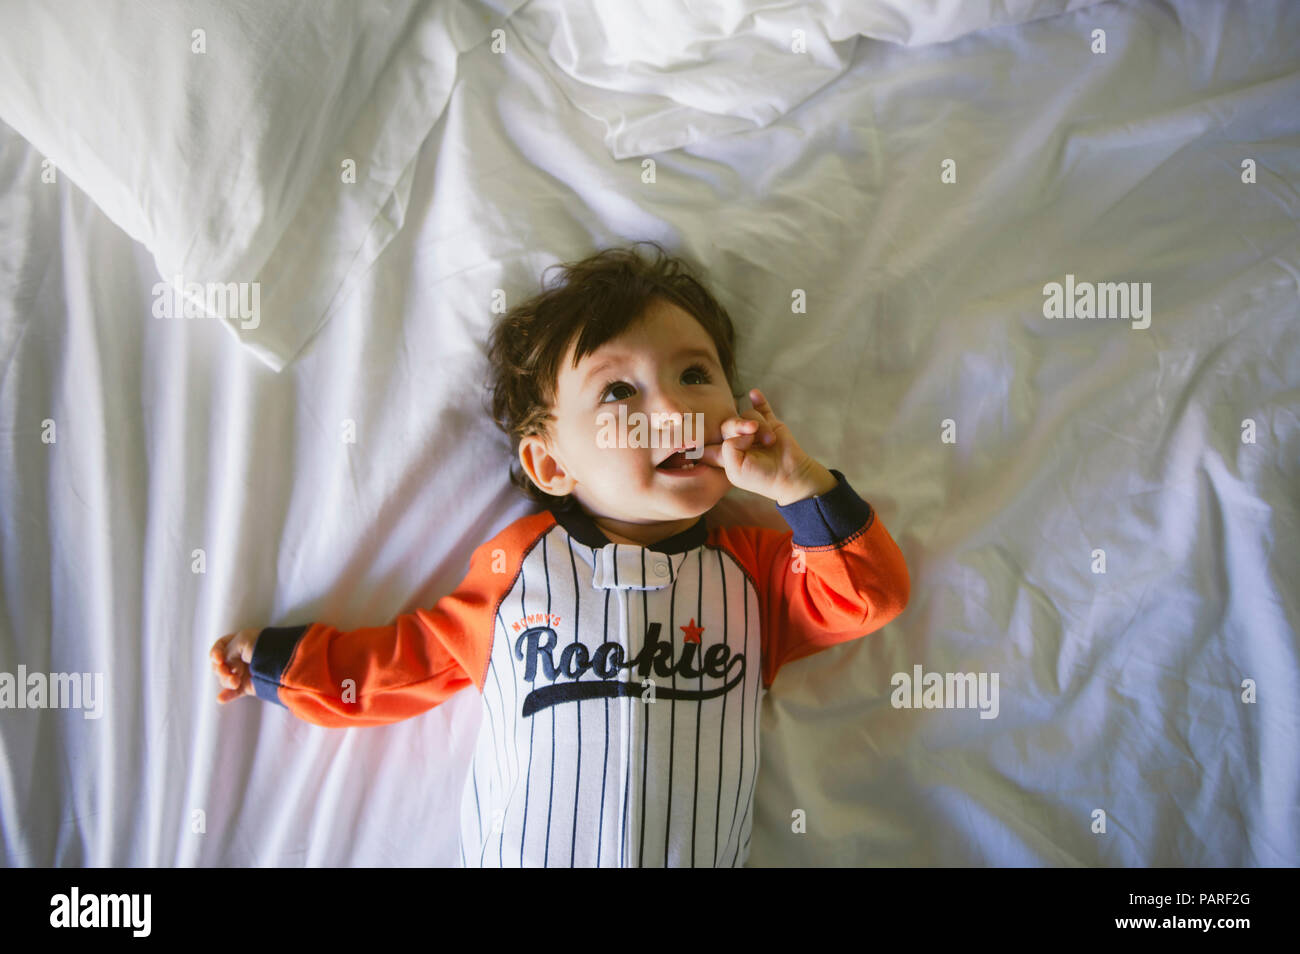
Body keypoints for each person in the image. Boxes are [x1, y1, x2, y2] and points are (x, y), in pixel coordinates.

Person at [210, 241, 910, 866]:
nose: (674, 409)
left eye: (696, 375)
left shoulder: (756, 574)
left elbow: (870, 594)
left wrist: (800, 485)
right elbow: (402, 664)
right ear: (550, 466)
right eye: (618, 390)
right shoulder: (517, 571)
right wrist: (280, 666)